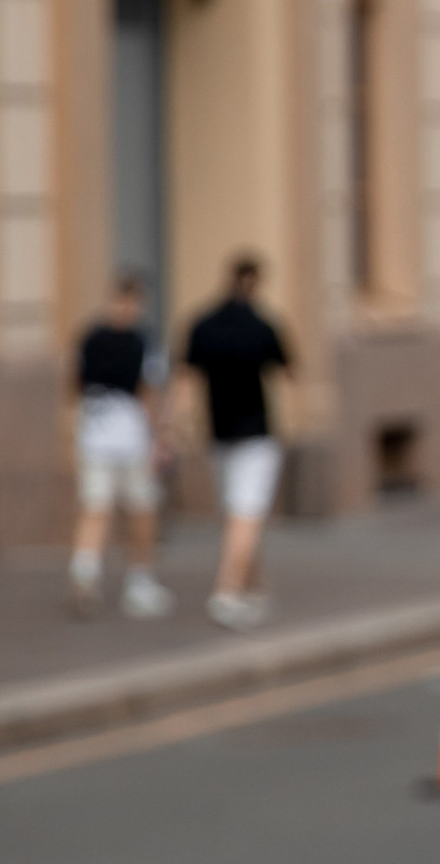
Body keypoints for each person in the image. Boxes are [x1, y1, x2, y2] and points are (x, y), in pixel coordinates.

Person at [182, 256, 292, 631]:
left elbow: (186, 377)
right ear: (256, 283)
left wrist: (174, 425)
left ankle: (252, 585)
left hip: (219, 435)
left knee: (238, 514)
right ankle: (226, 592)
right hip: (256, 436)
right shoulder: (263, 327)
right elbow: (289, 371)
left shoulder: (204, 325)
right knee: (246, 515)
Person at [67, 272, 171, 619]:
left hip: (94, 432)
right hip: (129, 436)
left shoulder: (90, 337)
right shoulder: (142, 341)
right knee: (141, 509)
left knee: (95, 508)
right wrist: (158, 437)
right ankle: (139, 581)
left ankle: (85, 572)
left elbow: (75, 384)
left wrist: (72, 426)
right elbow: (148, 393)